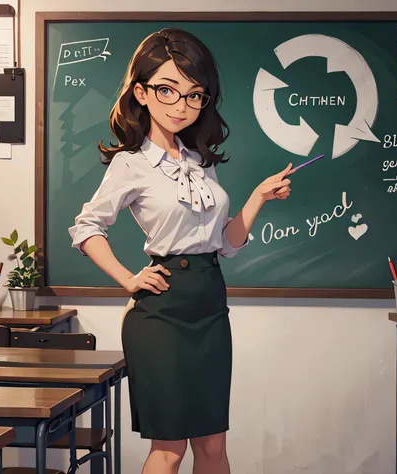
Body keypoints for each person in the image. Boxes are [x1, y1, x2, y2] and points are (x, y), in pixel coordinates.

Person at [69, 27, 295, 474]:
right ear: (142, 92)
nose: (182, 106)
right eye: (168, 91)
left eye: (195, 96)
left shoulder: (200, 162)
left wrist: (257, 199)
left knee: (213, 447)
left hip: (210, 303)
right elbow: (87, 227)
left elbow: (223, 246)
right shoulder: (130, 163)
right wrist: (129, 278)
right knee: (169, 449)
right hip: (161, 314)